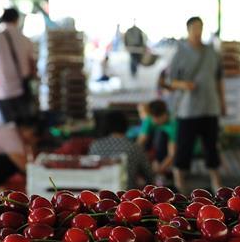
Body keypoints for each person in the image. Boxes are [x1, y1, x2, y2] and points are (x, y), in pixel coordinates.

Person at [167, 16, 225, 191]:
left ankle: (217, 183)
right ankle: (180, 185)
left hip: (210, 106)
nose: (198, 32)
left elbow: (218, 79)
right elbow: (170, 81)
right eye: (194, 28)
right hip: (187, 109)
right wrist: (184, 84)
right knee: (184, 147)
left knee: (211, 146)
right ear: (188, 30)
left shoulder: (212, 52)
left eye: (200, 28)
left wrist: (223, 102)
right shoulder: (180, 52)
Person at [0, 8, 36, 123]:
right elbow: (32, 67)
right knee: (24, 128)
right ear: (17, 19)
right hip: (22, 90)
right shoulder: (25, 40)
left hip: (2, 92)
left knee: (9, 128)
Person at [88, 111, 153, 189]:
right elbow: (149, 175)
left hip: (100, 195)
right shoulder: (134, 147)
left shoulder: (95, 146)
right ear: (126, 126)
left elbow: (90, 173)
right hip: (127, 197)